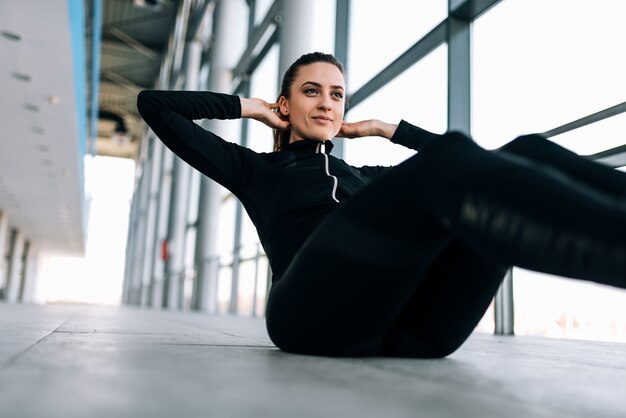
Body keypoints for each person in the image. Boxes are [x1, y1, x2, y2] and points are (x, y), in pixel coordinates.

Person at [137, 51, 626, 358]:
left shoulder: (367, 180)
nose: (327, 104)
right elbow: (155, 105)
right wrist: (251, 108)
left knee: (525, 150)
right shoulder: (255, 171)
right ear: (285, 105)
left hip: (414, 330)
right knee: (456, 161)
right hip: (310, 317)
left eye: (336, 95)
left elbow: (473, 162)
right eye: (311, 92)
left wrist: (386, 130)